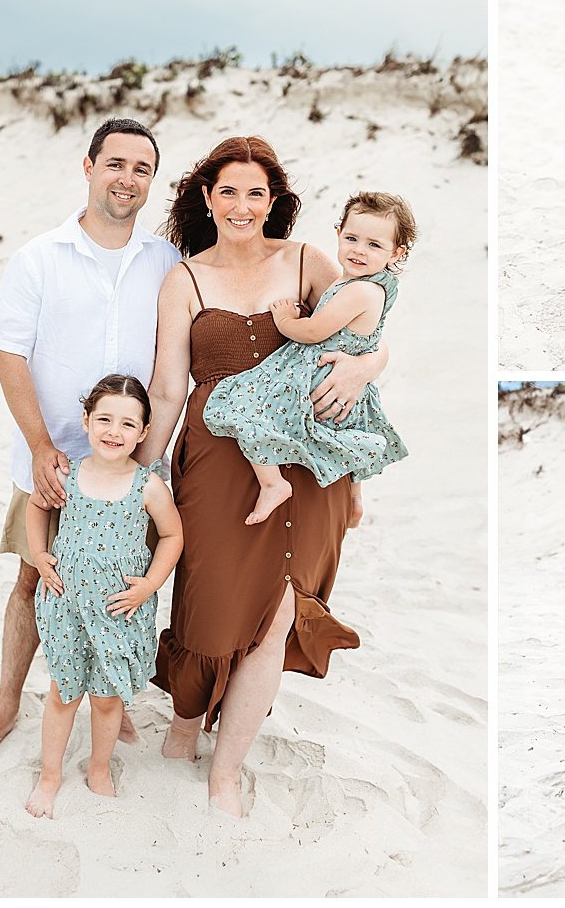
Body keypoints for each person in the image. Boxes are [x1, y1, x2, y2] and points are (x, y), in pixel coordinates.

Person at [136, 135, 384, 818]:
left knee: (276, 616)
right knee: (209, 612)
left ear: (274, 201)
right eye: (229, 191)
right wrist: (142, 475)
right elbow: (163, 389)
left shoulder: (306, 260)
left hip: (306, 462)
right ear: (207, 198)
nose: (242, 205)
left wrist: (368, 367)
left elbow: (363, 330)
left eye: (256, 192)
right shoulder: (183, 279)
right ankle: (184, 729)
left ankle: (227, 772)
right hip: (216, 458)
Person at [0, 118, 179, 759]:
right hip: (53, 459)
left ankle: (115, 699)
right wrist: (37, 445)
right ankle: (5, 706)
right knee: (36, 582)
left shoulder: (165, 262)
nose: (128, 179)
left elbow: (174, 366)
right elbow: (9, 355)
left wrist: (150, 454)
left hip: (132, 465)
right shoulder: (39, 257)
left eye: (142, 169)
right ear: (88, 167)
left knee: (120, 582)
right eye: (116, 164)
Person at [203, 191, 414, 527]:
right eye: (352, 238)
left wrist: (285, 321)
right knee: (351, 427)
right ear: (338, 234)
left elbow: (315, 331)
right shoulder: (362, 282)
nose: (359, 250)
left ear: (396, 253)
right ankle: (355, 499)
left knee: (248, 403)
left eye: (374, 245)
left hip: (319, 372)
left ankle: (272, 483)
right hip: (343, 376)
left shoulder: (361, 290)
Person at [24, 375, 182, 818]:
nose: (115, 431)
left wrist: (150, 584)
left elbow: (172, 535)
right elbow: (37, 507)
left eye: (128, 424)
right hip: (68, 605)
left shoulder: (148, 485)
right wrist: (40, 554)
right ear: (87, 421)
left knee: (108, 698)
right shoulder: (67, 473)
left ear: (144, 433)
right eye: (105, 419)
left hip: (118, 611)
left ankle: (98, 768)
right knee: (63, 694)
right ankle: (49, 775)